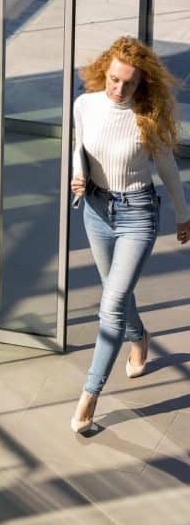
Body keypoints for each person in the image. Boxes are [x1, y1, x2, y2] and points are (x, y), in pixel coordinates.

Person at [70, 36, 190, 434]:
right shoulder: (84, 105)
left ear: (142, 85)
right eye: (114, 80)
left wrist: (183, 216)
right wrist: (79, 174)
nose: (119, 90)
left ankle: (88, 398)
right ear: (105, 70)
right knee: (114, 292)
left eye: (129, 84)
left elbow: (169, 168)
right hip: (96, 210)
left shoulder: (146, 118)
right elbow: (79, 147)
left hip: (138, 214)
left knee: (111, 305)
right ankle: (140, 337)